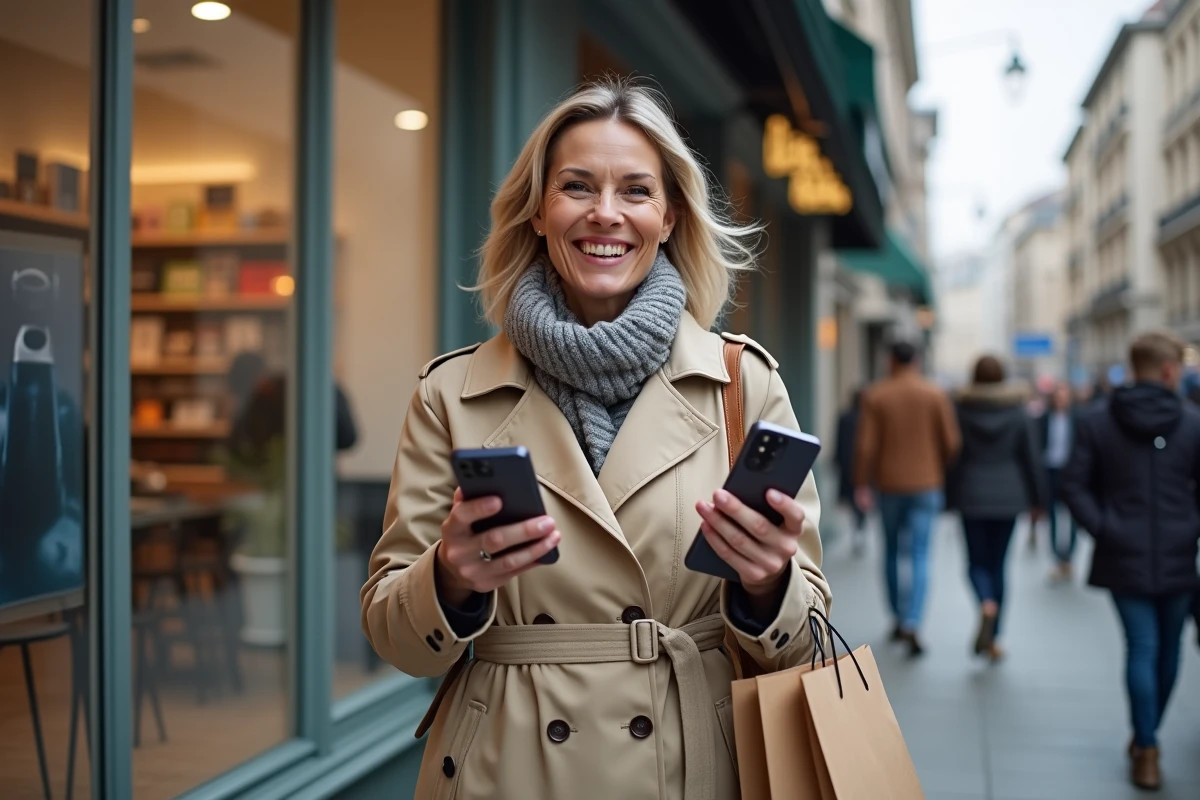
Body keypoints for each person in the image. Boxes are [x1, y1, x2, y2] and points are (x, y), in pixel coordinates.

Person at [360, 78, 830, 800]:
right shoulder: (450, 395)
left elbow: (809, 634)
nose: (605, 214)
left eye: (636, 191)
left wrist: (769, 585)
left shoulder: (744, 384)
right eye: (577, 187)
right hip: (505, 768)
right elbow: (395, 640)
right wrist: (449, 577)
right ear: (540, 212)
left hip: (689, 765)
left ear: (669, 216)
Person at [1062, 332, 1200, 791]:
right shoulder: (1193, 422)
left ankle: (1147, 742)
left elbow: (1074, 484)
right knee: (1168, 648)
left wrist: (1104, 527)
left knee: (1141, 646)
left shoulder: (1097, 420)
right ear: (1167, 370)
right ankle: (1147, 740)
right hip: (1181, 553)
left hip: (1122, 553)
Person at [855, 341, 961, 656]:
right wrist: (933, 464)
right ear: (916, 361)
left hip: (889, 485)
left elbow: (865, 447)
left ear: (891, 361)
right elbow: (952, 442)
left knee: (890, 552)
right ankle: (914, 620)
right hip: (927, 485)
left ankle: (897, 617)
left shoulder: (876, 395)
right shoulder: (935, 394)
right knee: (919, 554)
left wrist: (861, 483)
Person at [947, 356, 1044, 662]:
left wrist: (949, 498)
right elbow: (1031, 458)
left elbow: (953, 457)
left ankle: (985, 602)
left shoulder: (961, 411)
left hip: (972, 494)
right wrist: (1039, 501)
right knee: (999, 564)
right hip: (1009, 495)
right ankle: (996, 637)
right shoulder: (1018, 412)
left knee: (976, 563)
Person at [1037, 382, 1079, 580]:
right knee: (1052, 515)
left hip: (1071, 472)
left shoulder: (1078, 419)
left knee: (1073, 516)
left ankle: (1068, 557)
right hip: (1050, 470)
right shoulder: (1043, 419)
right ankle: (1056, 557)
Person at [834, 388, 867, 555]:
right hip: (861, 467)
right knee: (861, 500)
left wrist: (837, 461)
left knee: (855, 501)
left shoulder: (845, 418)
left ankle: (858, 530)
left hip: (847, 465)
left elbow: (839, 443)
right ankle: (860, 529)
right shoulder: (866, 419)